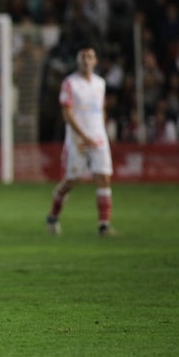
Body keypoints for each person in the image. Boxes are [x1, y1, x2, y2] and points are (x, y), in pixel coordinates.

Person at [45, 46, 115, 236]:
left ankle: (104, 225)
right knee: (71, 181)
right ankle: (52, 216)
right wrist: (84, 136)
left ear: (95, 61)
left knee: (104, 178)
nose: (86, 60)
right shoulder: (70, 83)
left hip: (98, 137)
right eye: (83, 57)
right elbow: (67, 113)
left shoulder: (100, 83)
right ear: (78, 61)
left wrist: (101, 131)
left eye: (90, 57)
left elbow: (100, 110)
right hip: (77, 139)